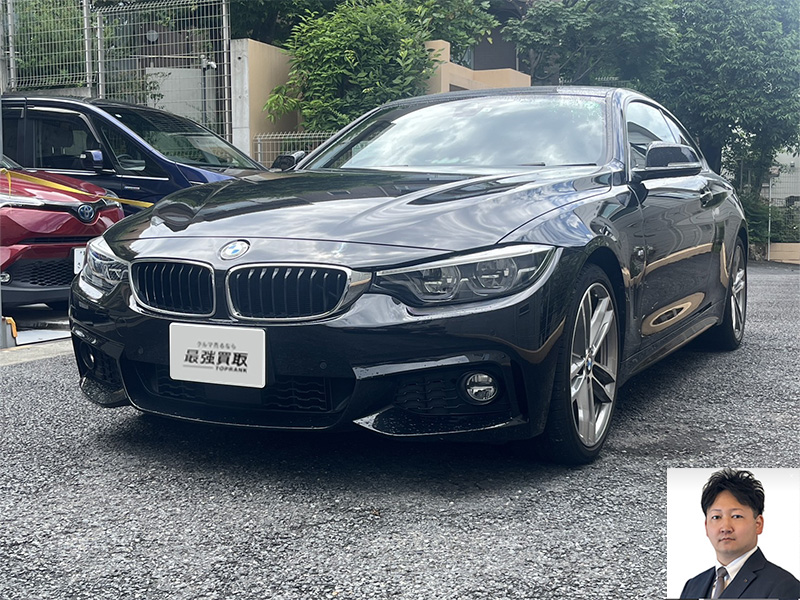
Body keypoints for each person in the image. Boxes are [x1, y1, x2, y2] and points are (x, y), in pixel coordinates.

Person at [681, 469, 800, 599]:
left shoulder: (784, 586)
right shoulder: (692, 586)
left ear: (758, 524)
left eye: (736, 516)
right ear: (706, 526)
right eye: (716, 517)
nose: (725, 528)